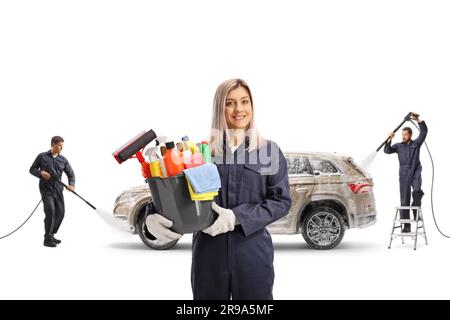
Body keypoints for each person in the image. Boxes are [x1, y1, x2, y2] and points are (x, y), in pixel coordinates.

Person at [145, 79, 292, 299]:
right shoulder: (199, 152)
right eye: (230, 103)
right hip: (208, 255)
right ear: (219, 108)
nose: (239, 109)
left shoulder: (268, 151)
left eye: (244, 102)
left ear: (252, 106)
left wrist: (236, 217)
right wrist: (151, 219)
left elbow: (281, 201)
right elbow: (174, 193)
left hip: (252, 255)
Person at [384, 112, 428, 233]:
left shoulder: (416, 144)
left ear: (410, 135)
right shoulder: (398, 146)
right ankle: (406, 226)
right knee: (404, 200)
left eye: (405, 134)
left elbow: (424, 132)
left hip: (415, 170)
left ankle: (415, 208)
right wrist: (389, 139)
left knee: (417, 190)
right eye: (402, 134)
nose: (403, 136)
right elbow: (387, 151)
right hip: (403, 173)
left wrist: (418, 119)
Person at [30, 136, 75, 247]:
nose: (61, 148)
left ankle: (51, 234)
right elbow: (32, 169)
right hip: (46, 189)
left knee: (60, 212)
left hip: (58, 189)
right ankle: (47, 239)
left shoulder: (63, 160)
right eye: (60, 146)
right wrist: (41, 173)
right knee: (50, 211)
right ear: (53, 145)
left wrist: (71, 185)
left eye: (62, 146)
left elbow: (71, 174)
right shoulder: (42, 157)